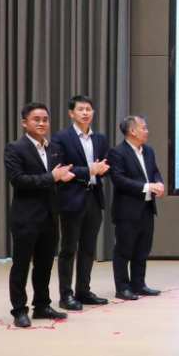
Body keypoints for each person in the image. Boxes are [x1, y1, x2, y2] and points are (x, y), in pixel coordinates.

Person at [4, 102, 75, 328]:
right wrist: (52, 177)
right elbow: (18, 180)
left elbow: (53, 177)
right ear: (24, 123)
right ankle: (19, 310)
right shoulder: (15, 148)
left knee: (44, 265)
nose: (42, 123)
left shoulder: (52, 148)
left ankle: (42, 305)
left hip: (50, 217)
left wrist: (61, 178)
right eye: (37, 119)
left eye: (45, 119)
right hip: (26, 217)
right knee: (21, 266)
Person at [51, 95, 110, 310]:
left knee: (88, 249)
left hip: (94, 197)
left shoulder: (99, 138)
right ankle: (66, 295)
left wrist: (103, 169)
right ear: (71, 113)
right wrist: (88, 171)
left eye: (88, 109)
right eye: (80, 109)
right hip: (71, 198)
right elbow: (59, 167)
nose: (85, 113)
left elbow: (105, 164)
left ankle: (83, 291)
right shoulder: (61, 137)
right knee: (68, 249)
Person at [107, 115, 164, 300]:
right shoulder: (117, 152)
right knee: (123, 251)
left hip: (147, 208)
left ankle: (139, 284)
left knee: (142, 250)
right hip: (127, 210)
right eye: (143, 128)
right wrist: (147, 187)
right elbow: (118, 179)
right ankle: (122, 287)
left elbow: (154, 171)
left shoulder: (148, 151)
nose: (147, 131)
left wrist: (158, 182)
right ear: (132, 130)